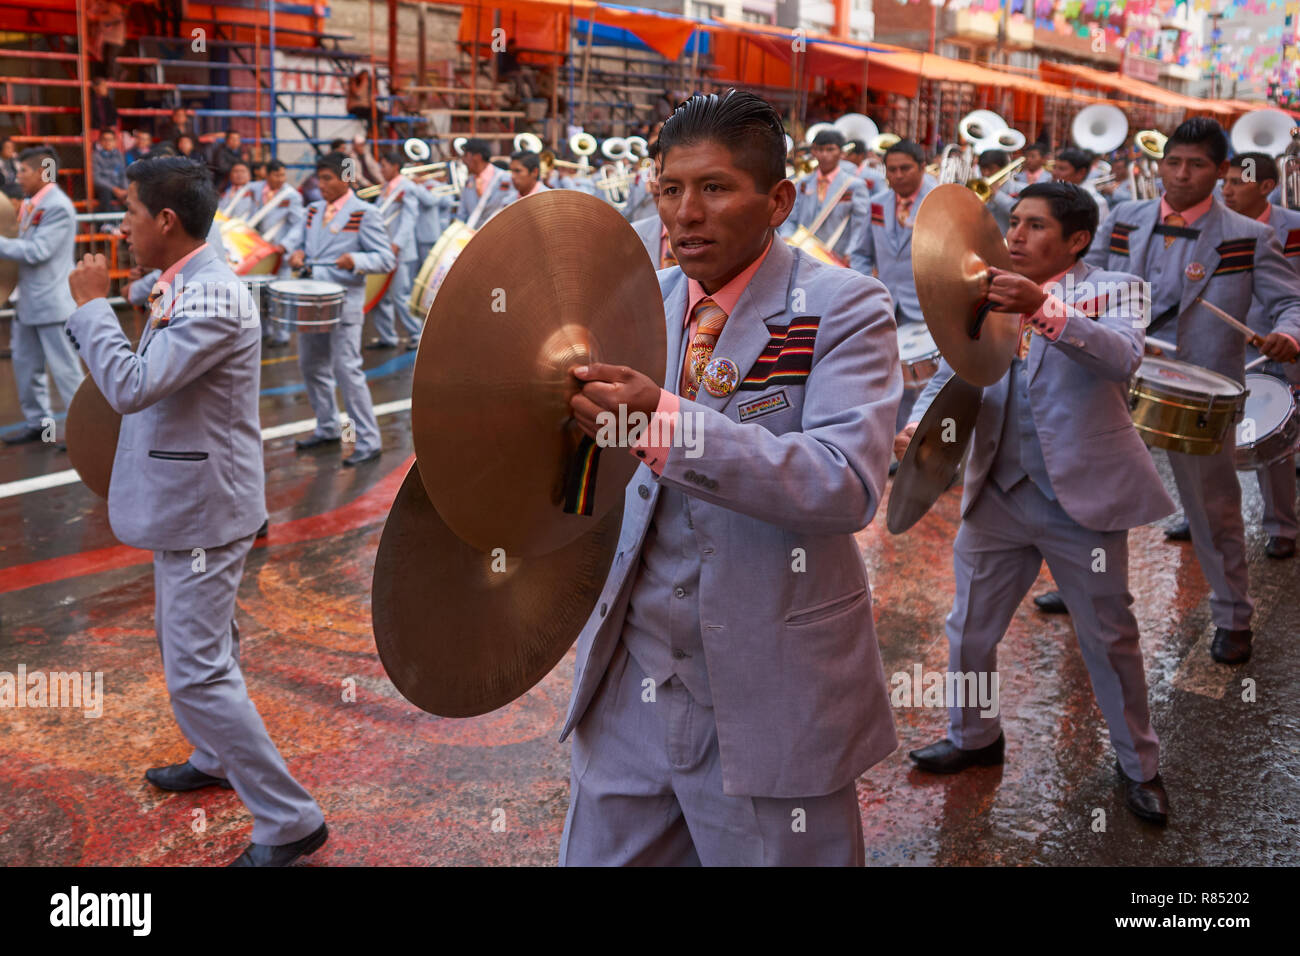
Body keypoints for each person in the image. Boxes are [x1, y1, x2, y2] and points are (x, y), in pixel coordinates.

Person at [559, 90, 901, 866]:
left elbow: (844, 483)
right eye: (670, 190)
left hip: (774, 685)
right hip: (633, 680)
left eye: (714, 188)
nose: (686, 214)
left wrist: (662, 422)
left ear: (777, 199)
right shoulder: (643, 299)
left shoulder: (845, 307)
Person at [64, 157, 327, 867]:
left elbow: (131, 384)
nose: (121, 227)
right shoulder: (191, 281)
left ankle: (289, 818)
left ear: (166, 221)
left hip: (204, 512)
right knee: (203, 646)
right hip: (190, 502)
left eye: (129, 214)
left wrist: (90, 306)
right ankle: (215, 754)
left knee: (199, 672)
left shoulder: (210, 295)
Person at [896, 181, 1173, 825]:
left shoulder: (1117, 289)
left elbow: (1123, 357)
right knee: (968, 629)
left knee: (1110, 637)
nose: (1015, 236)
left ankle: (1141, 766)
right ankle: (974, 737)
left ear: (1076, 240)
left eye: (1035, 226)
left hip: (1082, 499)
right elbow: (951, 367)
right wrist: (921, 425)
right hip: (998, 489)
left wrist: (1045, 309)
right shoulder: (985, 288)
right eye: (1013, 221)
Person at [1088, 117, 1300, 665]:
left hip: (1202, 389)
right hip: (1116, 379)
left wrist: (1288, 335)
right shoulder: (1123, 219)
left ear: (1222, 170)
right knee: (1094, 497)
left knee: (1213, 509)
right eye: (1173, 163)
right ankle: (1086, 588)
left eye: (1197, 165)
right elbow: (1092, 284)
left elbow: (1290, 303)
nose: (1181, 175)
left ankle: (1233, 616)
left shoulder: (1250, 236)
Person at [287, 151, 395, 467]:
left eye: (327, 178)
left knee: (347, 370)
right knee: (310, 364)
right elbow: (297, 244)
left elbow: (386, 258)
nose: (320, 184)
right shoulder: (312, 211)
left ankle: (369, 440)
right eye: (318, 178)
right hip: (313, 302)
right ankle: (327, 427)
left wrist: (357, 261)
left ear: (345, 178)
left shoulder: (365, 213)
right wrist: (295, 254)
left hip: (344, 303)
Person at [1220, 151, 1300, 560]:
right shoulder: (1214, 226)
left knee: (1274, 441)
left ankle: (1282, 526)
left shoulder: (1295, 228)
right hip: (1225, 344)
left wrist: (1289, 333)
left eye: (1238, 181)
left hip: (1281, 344)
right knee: (1212, 436)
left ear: (1267, 187)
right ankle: (1207, 514)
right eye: (1226, 180)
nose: (1227, 189)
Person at [0, 148, 85, 446]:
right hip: (30, 301)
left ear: (41, 172)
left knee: (65, 370)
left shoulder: (57, 206)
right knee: (26, 366)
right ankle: (39, 424)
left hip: (51, 302)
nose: (17, 177)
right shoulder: (35, 203)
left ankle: (82, 430)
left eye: (22, 170)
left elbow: (38, 252)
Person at [856, 138, 937, 431]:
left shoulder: (941, 200)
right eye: (892, 169)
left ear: (922, 168)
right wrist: (866, 289)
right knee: (892, 379)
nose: (898, 175)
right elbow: (861, 253)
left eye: (905, 168)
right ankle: (901, 446)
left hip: (932, 306)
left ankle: (937, 449)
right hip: (888, 303)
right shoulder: (877, 202)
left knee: (930, 384)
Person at [777, 128, 869, 269]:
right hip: (803, 255)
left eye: (830, 149)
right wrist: (787, 238)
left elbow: (860, 225)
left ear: (841, 153)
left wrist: (851, 252)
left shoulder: (854, 185)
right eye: (819, 149)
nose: (824, 154)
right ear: (813, 152)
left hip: (837, 256)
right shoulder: (803, 182)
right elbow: (790, 217)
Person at [365, 150, 422, 351]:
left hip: (399, 250)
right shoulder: (386, 188)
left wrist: (396, 245)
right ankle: (387, 336)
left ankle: (417, 334)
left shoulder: (408, 188)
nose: (381, 170)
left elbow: (409, 219)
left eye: (384, 166)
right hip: (383, 249)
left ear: (395, 166)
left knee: (400, 295)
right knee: (380, 296)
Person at [247, 159, 304, 347]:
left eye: (283, 174)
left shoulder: (291, 196)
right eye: (277, 174)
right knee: (257, 294)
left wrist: (286, 245)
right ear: (267, 174)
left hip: (279, 254)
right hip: (257, 253)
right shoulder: (254, 189)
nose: (281, 179)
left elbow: (298, 224)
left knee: (279, 294)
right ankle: (263, 331)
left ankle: (282, 335)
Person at [458, 138, 515, 228]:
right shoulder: (469, 182)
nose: (463, 160)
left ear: (477, 156)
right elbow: (462, 214)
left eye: (465, 155)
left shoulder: (506, 179)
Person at [1052, 147, 1109, 222]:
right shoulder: (1053, 193)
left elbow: (1098, 232)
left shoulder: (1097, 202)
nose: (1054, 173)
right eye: (1054, 167)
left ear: (1081, 172)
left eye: (1062, 169)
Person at [977, 148, 1016, 233]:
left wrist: (997, 195)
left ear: (1003, 169)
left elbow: (1016, 213)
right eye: (982, 169)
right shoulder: (977, 187)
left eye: (991, 169)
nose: (986, 173)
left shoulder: (1018, 189)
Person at [88, 1, 126, 80]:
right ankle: (114, 76)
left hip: (114, 39)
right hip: (109, 39)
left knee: (109, 58)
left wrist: (97, 18)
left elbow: (116, 18)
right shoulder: (104, 8)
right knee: (106, 59)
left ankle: (118, 74)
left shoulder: (112, 7)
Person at [92, 127, 128, 212]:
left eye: (111, 140)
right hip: (104, 189)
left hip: (120, 188)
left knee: (132, 194)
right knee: (106, 193)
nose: (108, 142)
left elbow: (123, 174)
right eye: (105, 139)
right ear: (100, 142)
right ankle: (105, 223)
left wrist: (125, 190)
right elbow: (96, 179)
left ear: (115, 142)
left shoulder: (119, 155)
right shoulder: (95, 156)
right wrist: (114, 189)